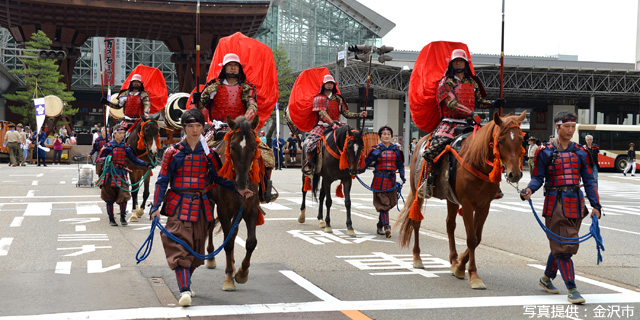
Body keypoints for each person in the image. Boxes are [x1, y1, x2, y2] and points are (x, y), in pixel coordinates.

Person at [149, 109, 253, 307]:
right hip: (178, 204)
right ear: (184, 128)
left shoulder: (209, 154)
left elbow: (217, 178)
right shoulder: (172, 152)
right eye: (190, 126)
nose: (195, 130)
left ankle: (186, 282)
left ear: (202, 128)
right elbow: (162, 181)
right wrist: (155, 206)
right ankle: (184, 290)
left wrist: (237, 189)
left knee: (196, 249)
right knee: (178, 246)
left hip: (202, 204)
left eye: (198, 126)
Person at [521, 111, 602, 305]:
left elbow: (590, 181)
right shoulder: (544, 151)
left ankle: (546, 278)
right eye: (567, 127)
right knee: (565, 247)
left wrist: (596, 206)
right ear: (557, 127)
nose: (571, 130)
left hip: (576, 203)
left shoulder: (581, 152)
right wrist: (529, 190)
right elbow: (538, 177)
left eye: (573, 127)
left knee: (561, 243)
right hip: (555, 202)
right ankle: (572, 288)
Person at [421, 49, 505, 198]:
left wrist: (492, 104)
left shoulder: (472, 82)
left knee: (490, 146)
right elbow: (452, 103)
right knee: (432, 150)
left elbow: (478, 101)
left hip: (469, 124)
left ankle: (493, 183)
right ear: (452, 64)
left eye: (461, 61)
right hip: (449, 124)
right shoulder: (445, 82)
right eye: (456, 61)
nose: (458, 63)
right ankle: (427, 182)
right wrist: (471, 113)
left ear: (466, 64)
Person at [194, 53, 276, 203]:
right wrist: (198, 99)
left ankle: (263, 190)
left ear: (239, 69)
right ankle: (199, 188)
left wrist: (244, 121)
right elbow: (199, 107)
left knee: (267, 156)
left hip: (240, 128)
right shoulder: (212, 86)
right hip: (216, 129)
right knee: (198, 154)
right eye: (230, 65)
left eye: (235, 65)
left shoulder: (246, 87)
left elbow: (252, 105)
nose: (233, 67)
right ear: (224, 68)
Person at [303, 74, 366, 175]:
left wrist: (359, 115)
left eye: (331, 84)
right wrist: (331, 123)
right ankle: (311, 164)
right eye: (327, 83)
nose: (329, 85)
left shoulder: (338, 98)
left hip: (338, 125)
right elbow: (322, 113)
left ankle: (351, 165)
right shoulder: (319, 98)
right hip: (322, 126)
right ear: (323, 85)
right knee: (311, 144)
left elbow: (346, 113)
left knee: (351, 142)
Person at [96, 124, 153, 227]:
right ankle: (111, 218)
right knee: (109, 198)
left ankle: (123, 217)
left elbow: (134, 159)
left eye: (123, 133)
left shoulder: (126, 148)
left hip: (121, 174)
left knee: (124, 197)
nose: (122, 135)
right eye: (119, 133)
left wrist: (146, 164)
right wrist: (106, 159)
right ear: (114, 134)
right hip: (109, 174)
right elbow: (99, 159)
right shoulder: (108, 147)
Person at [360, 126, 405, 238]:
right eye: (384, 134)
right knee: (384, 204)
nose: (386, 136)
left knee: (389, 203)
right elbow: (366, 163)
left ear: (391, 136)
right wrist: (356, 170)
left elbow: (400, 165)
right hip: (379, 180)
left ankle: (380, 225)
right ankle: (387, 226)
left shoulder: (397, 150)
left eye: (388, 134)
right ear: (380, 137)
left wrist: (402, 178)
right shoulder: (375, 150)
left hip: (392, 181)